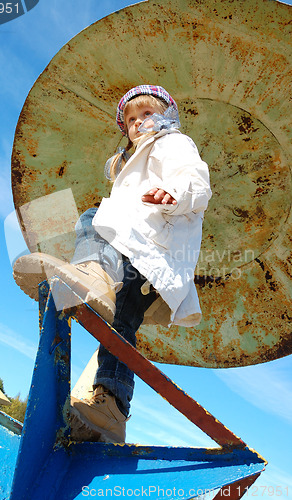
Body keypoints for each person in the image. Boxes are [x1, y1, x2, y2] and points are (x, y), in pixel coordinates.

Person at [13, 85, 212, 444]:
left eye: (146, 114)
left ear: (167, 116)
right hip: (148, 257)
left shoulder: (171, 142)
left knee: (94, 217)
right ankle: (112, 410)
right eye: (131, 120)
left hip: (149, 240)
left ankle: (94, 276)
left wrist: (178, 193)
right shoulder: (133, 159)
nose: (138, 123)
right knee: (122, 327)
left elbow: (192, 175)